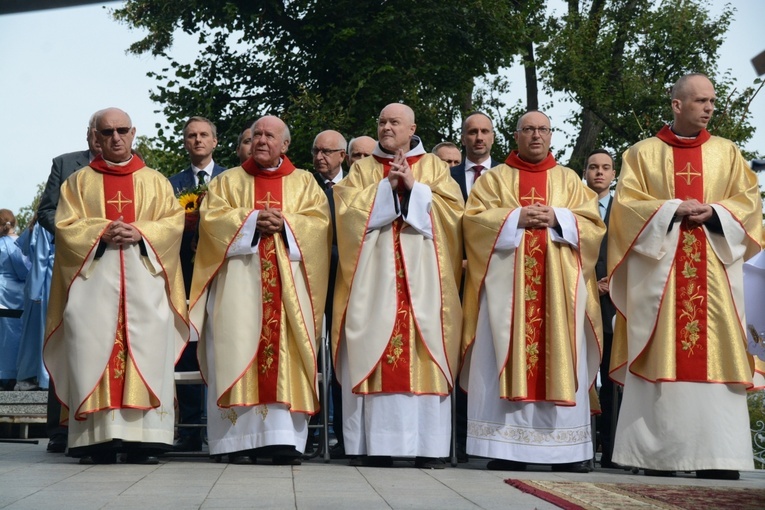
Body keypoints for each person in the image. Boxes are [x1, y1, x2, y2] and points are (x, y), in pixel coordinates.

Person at [608, 73, 764, 480]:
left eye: (712, 101)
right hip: (662, 277)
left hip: (715, 275)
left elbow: (749, 203)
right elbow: (625, 207)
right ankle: (655, 456)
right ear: (677, 105)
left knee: (718, 348)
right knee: (661, 349)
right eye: (700, 101)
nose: (709, 107)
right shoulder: (641, 154)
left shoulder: (728, 153)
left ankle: (719, 456)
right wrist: (671, 210)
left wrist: (715, 213)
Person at [461, 110, 604, 473]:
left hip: (560, 294)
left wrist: (560, 218)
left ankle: (566, 451)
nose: (536, 136)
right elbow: (473, 222)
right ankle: (505, 447)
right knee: (503, 353)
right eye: (528, 130)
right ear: (516, 135)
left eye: (542, 130)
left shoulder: (570, 180)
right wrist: (514, 219)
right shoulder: (494, 180)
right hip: (507, 296)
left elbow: (593, 227)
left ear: (551, 135)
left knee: (561, 353)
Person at [43, 107, 187, 464]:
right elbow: (64, 226)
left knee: (148, 351)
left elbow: (173, 223)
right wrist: (99, 231)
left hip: (145, 285)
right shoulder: (78, 182)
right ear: (96, 136)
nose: (115, 137)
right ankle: (97, 439)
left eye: (122, 130)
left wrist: (141, 231)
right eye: (107, 132)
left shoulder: (155, 181)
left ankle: (146, 440)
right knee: (93, 351)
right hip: (94, 288)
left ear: (134, 132)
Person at [189, 115, 331, 465]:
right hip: (239, 286)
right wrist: (252, 220)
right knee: (236, 347)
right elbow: (211, 222)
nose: (261, 141)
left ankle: (283, 440)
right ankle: (237, 440)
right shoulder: (227, 182)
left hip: (288, 289)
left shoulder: (304, 183)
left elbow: (320, 226)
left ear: (285, 145)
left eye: (270, 136)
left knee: (285, 352)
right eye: (256, 136)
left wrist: (287, 223)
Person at [332, 103, 464, 468]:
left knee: (426, 347)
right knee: (373, 343)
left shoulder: (435, 166)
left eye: (394, 122)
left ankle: (429, 447)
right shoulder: (361, 169)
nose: (386, 127)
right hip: (375, 282)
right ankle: (375, 445)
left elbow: (454, 215)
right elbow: (345, 215)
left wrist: (414, 189)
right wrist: (387, 191)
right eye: (382, 122)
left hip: (424, 279)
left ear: (412, 129)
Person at [37, 112, 102, 453]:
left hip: (115, 264)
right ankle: (60, 428)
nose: (105, 138)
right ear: (91, 135)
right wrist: (77, 235)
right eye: (99, 132)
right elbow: (46, 210)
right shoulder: (65, 164)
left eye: (116, 131)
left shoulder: (139, 171)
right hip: (73, 263)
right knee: (68, 334)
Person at [168, 116, 226, 453]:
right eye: (191, 135)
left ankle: (222, 421)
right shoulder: (170, 184)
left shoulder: (231, 180)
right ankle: (189, 429)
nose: (198, 140)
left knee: (222, 345)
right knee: (188, 349)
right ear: (185, 142)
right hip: (186, 276)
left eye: (204, 135)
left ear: (215, 141)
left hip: (221, 274)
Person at [311, 129, 347, 457]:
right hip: (311, 280)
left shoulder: (354, 189)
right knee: (310, 353)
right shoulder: (304, 187)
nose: (320, 157)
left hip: (346, 281)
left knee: (339, 355)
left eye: (327, 152)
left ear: (342, 157)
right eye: (316, 151)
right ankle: (311, 431)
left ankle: (341, 432)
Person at [583, 149, 619, 469]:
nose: (599, 172)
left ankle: (609, 449)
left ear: (613, 174)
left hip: (613, 304)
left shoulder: (623, 209)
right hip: (580, 298)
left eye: (605, 168)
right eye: (593, 167)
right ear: (585, 172)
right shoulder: (574, 205)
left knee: (610, 378)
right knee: (581, 374)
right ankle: (580, 445)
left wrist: (616, 283)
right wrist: (588, 283)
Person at [14, 215, 54, 391]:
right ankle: (46, 377)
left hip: (42, 279)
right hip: (47, 281)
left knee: (36, 331)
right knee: (46, 329)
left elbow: (26, 250)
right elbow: (40, 258)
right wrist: (36, 291)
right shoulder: (47, 223)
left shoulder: (38, 224)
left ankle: (32, 375)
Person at [0, 209, 29, 389]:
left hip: (1, 290)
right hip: (17, 293)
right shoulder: (19, 244)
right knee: (17, 334)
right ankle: (14, 373)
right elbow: (24, 270)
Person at [450, 112, 501, 200]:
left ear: (492, 138)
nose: (479, 138)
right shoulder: (448, 176)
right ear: (463, 139)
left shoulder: (506, 175)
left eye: (484, 131)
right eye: (473, 132)